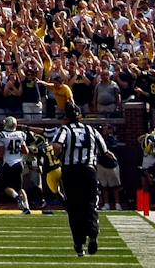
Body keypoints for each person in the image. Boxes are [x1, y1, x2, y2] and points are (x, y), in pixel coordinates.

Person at [51, 101, 111, 256]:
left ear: (66, 117)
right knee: (90, 204)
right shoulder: (91, 130)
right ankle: (93, 234)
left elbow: (57, 146)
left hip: (71, 171)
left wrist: (57, 158)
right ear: (80, 116)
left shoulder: (64, 129)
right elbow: (105, 152)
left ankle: (79, 243)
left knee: (74, 208)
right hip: (89, 170)